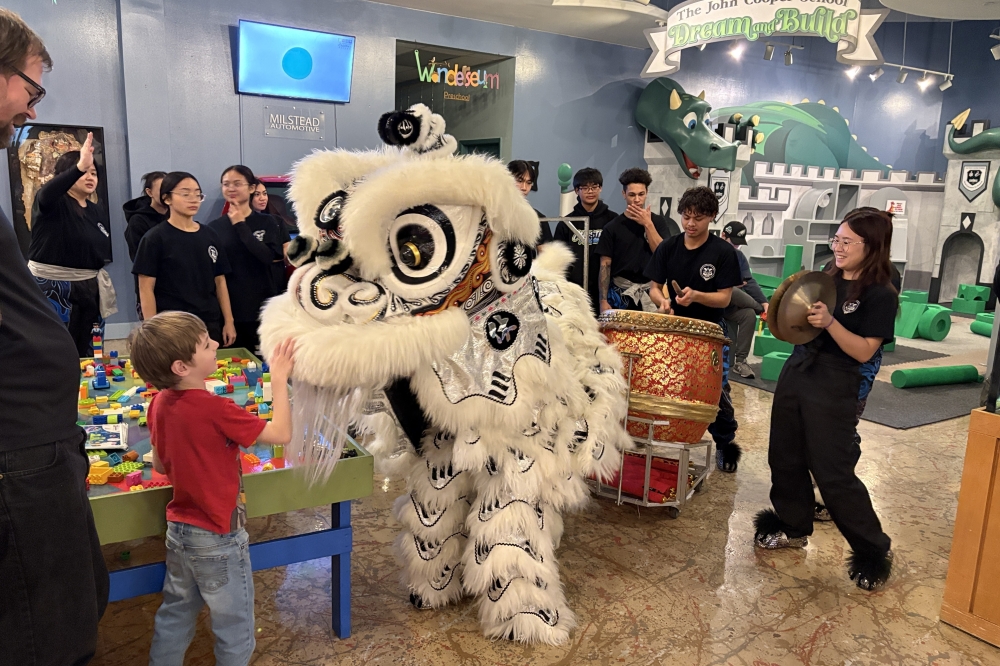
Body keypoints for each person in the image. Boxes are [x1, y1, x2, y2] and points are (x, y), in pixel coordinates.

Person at [0, 9, 109, 664]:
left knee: (71, 610)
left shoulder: (87, 212)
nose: (31, 108)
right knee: (46, 633)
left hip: (37, 443)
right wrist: (79, 163)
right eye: (31, 89)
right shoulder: (50, 199)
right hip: (19, 453)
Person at [128, 311, 295, 666]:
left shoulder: (158, 403)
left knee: (175, 615)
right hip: (219, 536)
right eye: (205, 344)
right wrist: (279, 378)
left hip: (180, 532)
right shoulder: (218, 409)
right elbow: (281, 434)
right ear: (181, 367)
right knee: (235, 629)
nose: (216, 344)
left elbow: (160, 466)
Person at [753, 208, 897, 591]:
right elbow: (798, 326)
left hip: (836, 381)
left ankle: (872, 551)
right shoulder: (826, 279)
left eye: (847, 242)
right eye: (836, 239)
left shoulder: (880, 294)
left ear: (871, 246)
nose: (838, 247)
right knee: (784, 455)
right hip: (799, 370)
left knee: (832, 471)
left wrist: (831, 323)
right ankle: (792, 526)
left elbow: (864, 351)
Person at [644, 186, 743, 473]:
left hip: (710, 332)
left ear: (712, 216)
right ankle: (668, 437)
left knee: (715, 390)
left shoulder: (723, 252)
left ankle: (725, 443)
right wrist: (663, 301)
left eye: (698, 218)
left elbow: (724, 298)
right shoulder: (669, 247)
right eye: (686, 216)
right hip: (676, 329)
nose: (690, 223)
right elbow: (653, 287)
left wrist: (697, 296)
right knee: (671, 384)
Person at [27, 133, 117, 357]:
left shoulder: (95, 210)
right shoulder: (51, 203)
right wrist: (79, 167)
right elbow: (48, 192)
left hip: (89, 286)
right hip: (54, 285)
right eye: (84, 172)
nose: (90, 177)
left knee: (90, 350)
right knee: (56, 349)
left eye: (93, 173)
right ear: (65, 175)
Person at [132, 171, 237, 346]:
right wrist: (153, 331)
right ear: (167, 198)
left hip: (208, 321)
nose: (193, 199)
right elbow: (145, 288)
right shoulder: (154, 238)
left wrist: (229, 321)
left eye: (197, 194)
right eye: (185, 194)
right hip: (173, 324)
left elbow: (220, 281)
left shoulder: (210, 235)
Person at [208, 166, 283, 352]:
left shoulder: (267, 222)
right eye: (226, 184)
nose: (231, 188)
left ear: (251, 188)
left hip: (262, 307)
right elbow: (216, 272)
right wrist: (227, 319)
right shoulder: (214, 227)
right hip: (230, 309)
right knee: (234, 362)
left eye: (237, 183)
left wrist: (241, 225)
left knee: (265, 362)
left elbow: (268, 257)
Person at [596, 167, 670, 313]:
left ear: (647, 193)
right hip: (620, 292)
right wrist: (603, 300)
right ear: (624, 194)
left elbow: (663, 255)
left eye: (641, 194)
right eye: (632, 195)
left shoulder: (658, 222)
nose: (637, 200)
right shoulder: (612, 227)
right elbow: (605, 265)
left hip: (651, 291)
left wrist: (648, 224)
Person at [554, 167, 618, 314]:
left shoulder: (613, 220)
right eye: (585, 187)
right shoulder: (566, 223)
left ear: (600, 188)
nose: (590, 191)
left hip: (606, 293)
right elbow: (558, 259)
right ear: (577, 190)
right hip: (574, 291)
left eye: (594, 186)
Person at [720, 220, 769, 379]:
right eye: (733, 242)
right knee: (731, 290)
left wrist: (765, 302)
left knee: (748, 314)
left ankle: (741, 361)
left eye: (738, 244)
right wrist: (733, 283)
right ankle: (761, 311)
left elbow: (749, 281)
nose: (736, 246)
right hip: (712, 303)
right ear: (723, 235)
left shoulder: (738, 256)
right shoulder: (711, 252)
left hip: (730, 307)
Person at [124, 170, 168, 317]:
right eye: (161, 189)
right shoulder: (138, 221)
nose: (166, 193)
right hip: (152, 290)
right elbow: (139, 259)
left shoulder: (176, 215)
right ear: (149, 192)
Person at [250, 180, 292, 293]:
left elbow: (286, 246)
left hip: (277, 278)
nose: (263, 198)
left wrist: (289, 256)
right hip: (254, 280)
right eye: (257, 194)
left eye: (265, 193)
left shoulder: (277, 220)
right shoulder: (242, 224)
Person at [507, 160, 552, 247]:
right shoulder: (492, 215)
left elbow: (546, 253)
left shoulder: (538, 218)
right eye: (519, 181)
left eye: (528, 183)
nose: (524, 188)